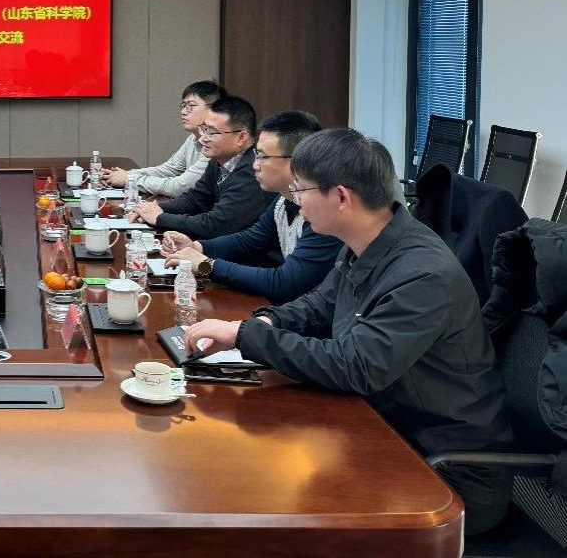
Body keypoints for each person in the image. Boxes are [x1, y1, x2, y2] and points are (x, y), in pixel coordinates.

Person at [183, 128, 513, 536]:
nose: (295, 199)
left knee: (270, 494)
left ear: (341, 197)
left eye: (301, 189)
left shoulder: (423, 274)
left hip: (446, 471)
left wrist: (246, 337)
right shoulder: (370, 241)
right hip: (385, 427)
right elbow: (319, 306)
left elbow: (356, 367)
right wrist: (264, 323)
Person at [162, 111, 341, 304]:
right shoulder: (282, 201)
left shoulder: (324, 215)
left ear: (296, 160)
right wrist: (196, 247)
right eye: (257, 155)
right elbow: (250, 241)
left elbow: (284, 283)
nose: (255, 165)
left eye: (263, 156)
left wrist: (208, 265)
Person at [128, 96, 270, 239]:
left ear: (241, 137)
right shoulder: (219, 159)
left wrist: (160, 218)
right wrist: (153, 209)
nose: (203, 139)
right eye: (204, 129)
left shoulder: (253, 171)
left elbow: (216, 225)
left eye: (212, 132)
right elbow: (195, 199)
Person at [103, 80, 222, 197]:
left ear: (213, 109)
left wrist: (130, 179)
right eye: (183, 106)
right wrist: (122, 175)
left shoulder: (216, 145)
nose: (183, 112)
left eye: (191, 106)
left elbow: (178, 187)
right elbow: (169, 169)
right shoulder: (193, 137)